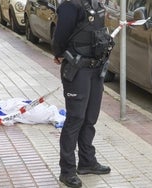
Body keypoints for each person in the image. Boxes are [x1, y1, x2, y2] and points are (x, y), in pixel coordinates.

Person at [52, 0, 114, 187]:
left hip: (96, 69)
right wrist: (59, 53)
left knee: (90, 117)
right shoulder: (71, 6)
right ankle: (67, 171)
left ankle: (87, 162)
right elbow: (60, 36)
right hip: (77, 70)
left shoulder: (96, 3)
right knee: (75, 119)